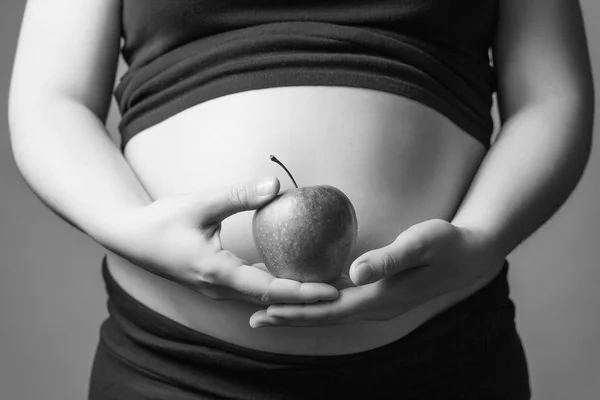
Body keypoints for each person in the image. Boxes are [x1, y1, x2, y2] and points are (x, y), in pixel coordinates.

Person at [8, 0, 594, 399]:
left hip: (441, 356)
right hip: (172, 366)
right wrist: (134, 228)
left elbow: (553, 95)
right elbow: (50, 99)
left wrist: (480, 238)